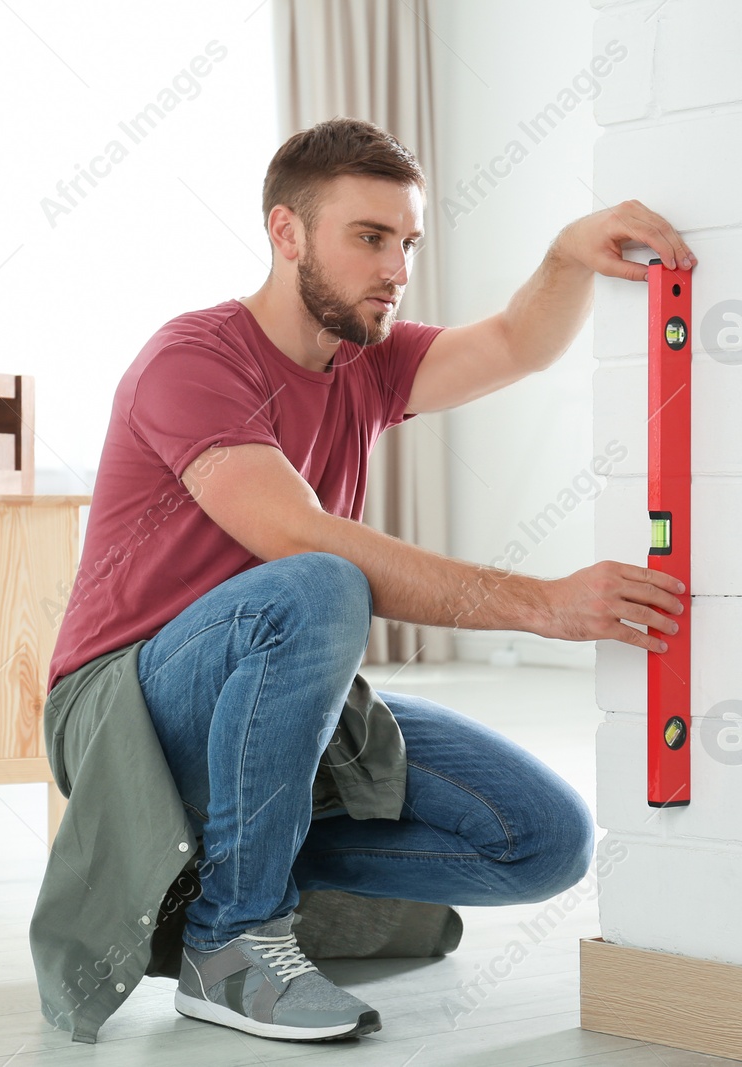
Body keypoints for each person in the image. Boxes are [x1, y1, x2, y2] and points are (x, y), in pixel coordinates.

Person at [39, 116, 693, 1043]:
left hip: (277, 702)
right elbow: (297, 538)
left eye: (409, 242)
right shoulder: (194, 360)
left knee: (543, 841)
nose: (397, 267)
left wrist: (567, 257)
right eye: (371, 238)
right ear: (287, 232)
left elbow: (517, 342)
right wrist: (544, 604)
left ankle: (224, 883)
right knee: (321, 581)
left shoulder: (367, 367)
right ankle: (231, 943)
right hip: (128, 711)